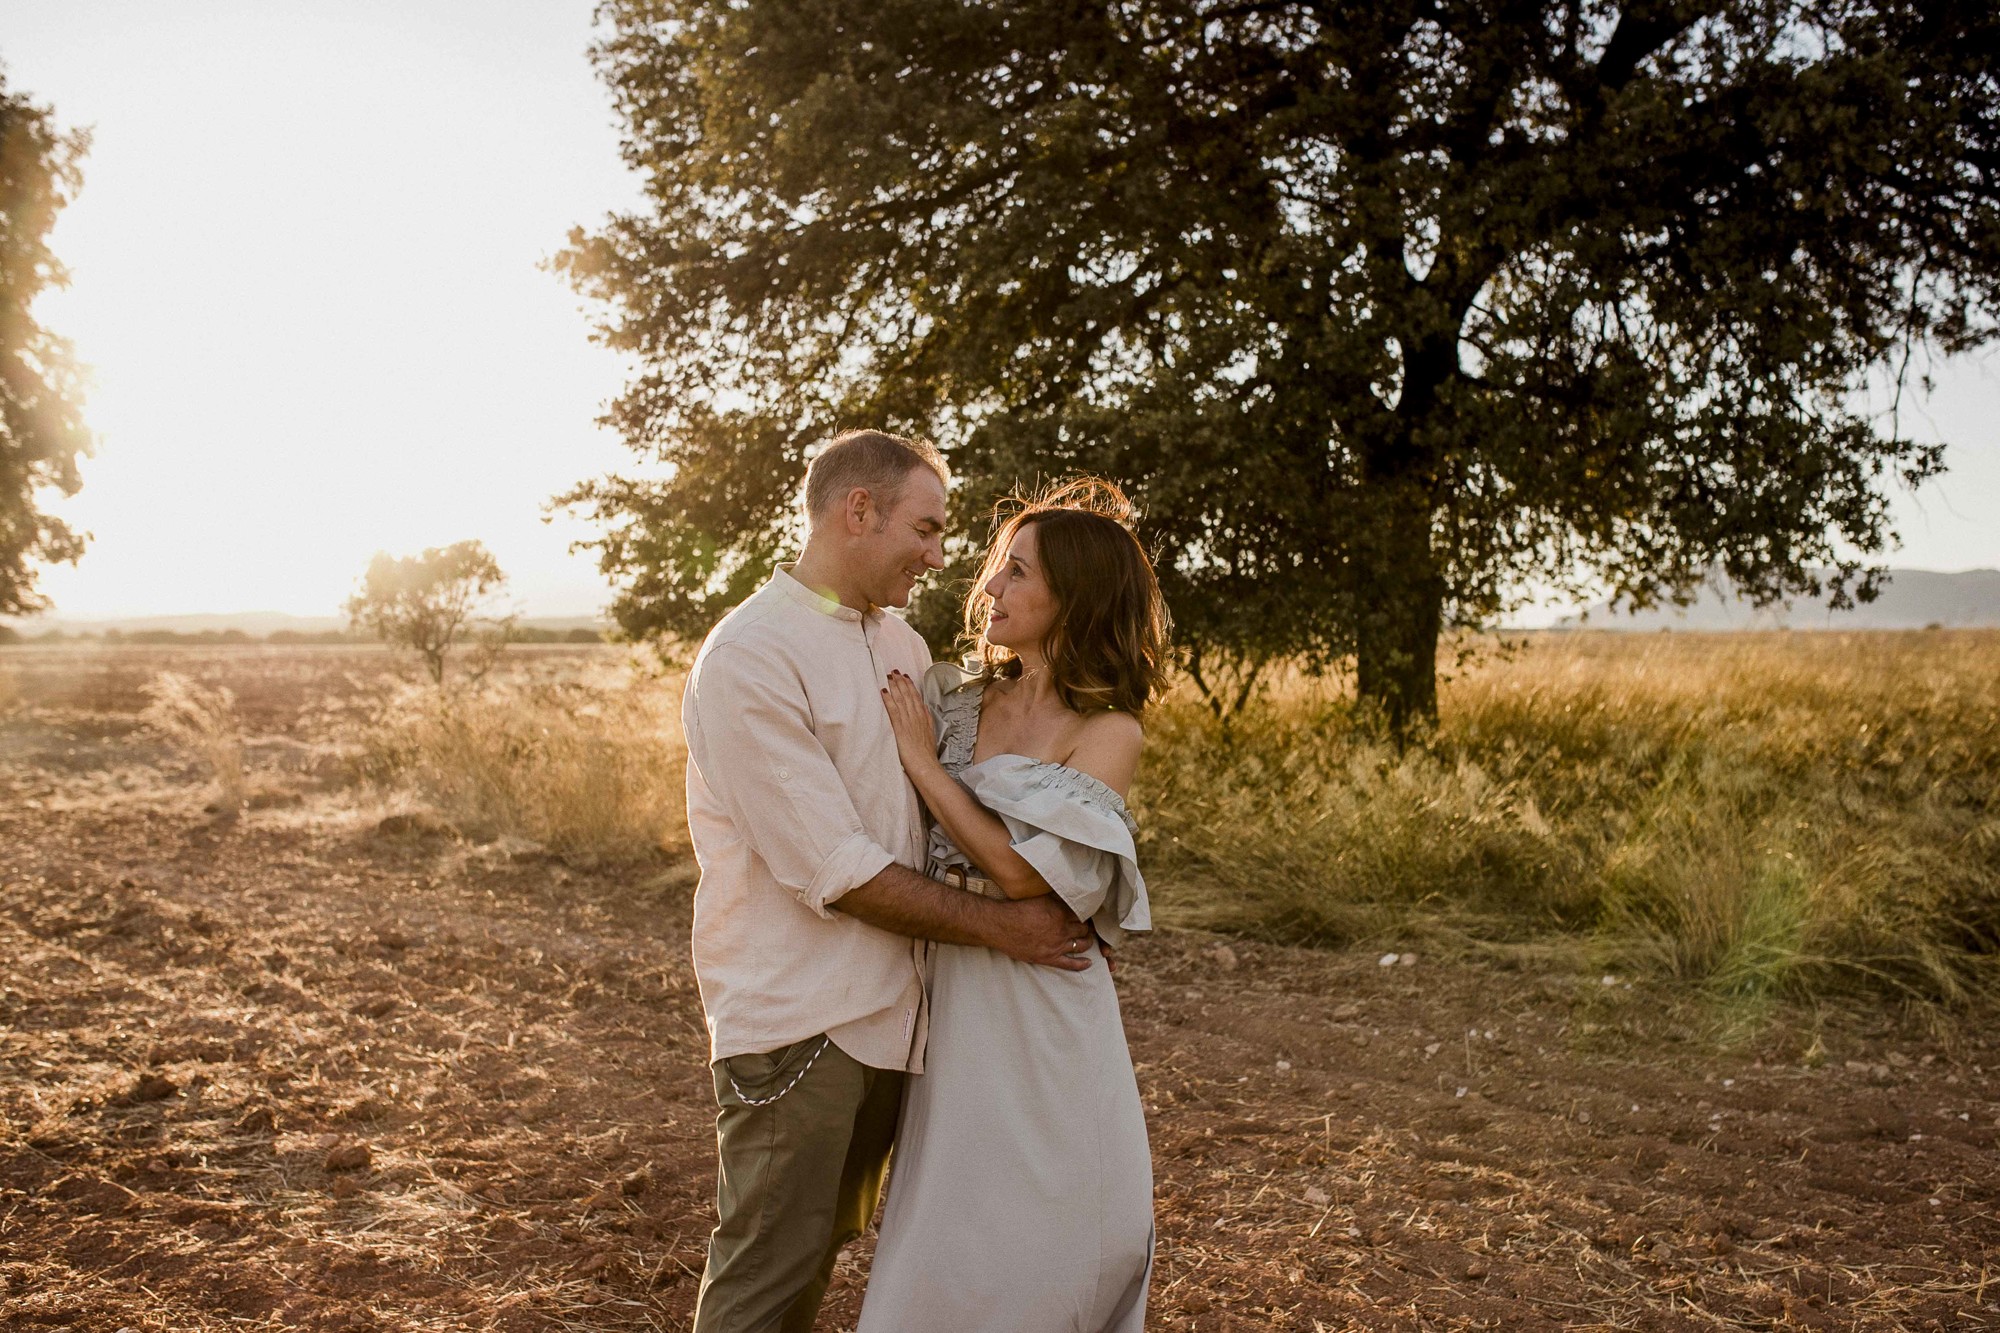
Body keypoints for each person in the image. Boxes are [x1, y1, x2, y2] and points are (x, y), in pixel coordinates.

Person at [679, 429, 1101, 1333]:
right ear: (858, 510)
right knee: (767, 1273)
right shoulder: (752, 655)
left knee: (819, 1254)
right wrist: (1010, 929)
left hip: (896, 1024)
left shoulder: (901, 641)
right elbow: (840, 872)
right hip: (801, 1025)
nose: (939, 557)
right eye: (926, 528)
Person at [857, 477, 1168, 1333]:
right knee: (950, 1210)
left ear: (1077, 596)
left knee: (1053, 1213)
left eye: (1018, 571)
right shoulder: (955, 698)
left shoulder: (1108, 731)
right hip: (954, 977)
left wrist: (926, 768)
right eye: (999, 565)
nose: (990, 585)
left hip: (1045, 996)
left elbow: (1027, 876)